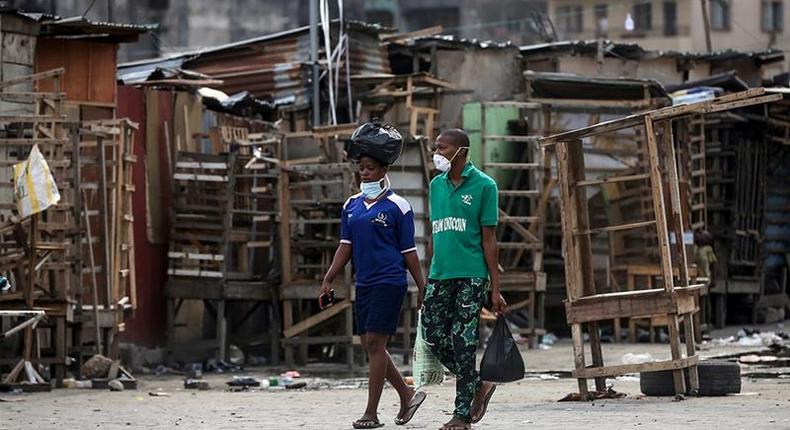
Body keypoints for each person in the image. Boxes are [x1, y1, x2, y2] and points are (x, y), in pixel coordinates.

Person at [321, 121, 427, 429]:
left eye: (369, 168)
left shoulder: (399, 206)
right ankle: (407, 394)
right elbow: (345, 246)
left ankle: (371, 412)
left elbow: (409, 251)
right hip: (363, 283)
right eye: (361, 169)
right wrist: (329, 278)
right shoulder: (351, 206)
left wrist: (422, 286)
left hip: (390, 281)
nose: (364, 173)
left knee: (376, 344)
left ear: (382, 170)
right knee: (369, 343)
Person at [422, 128, 506, 430]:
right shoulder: (436, 185)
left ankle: (461, 415)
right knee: (431, 335)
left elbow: (489, 240)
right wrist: (428, 275)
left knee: (463, 341)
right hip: (440, 274)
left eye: (442, 148)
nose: (437, 153)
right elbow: (435, 233)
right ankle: (479, 384)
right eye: (436, 147)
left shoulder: (485, 186)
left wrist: (495, 288)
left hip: (471, 275)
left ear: (461, 151)